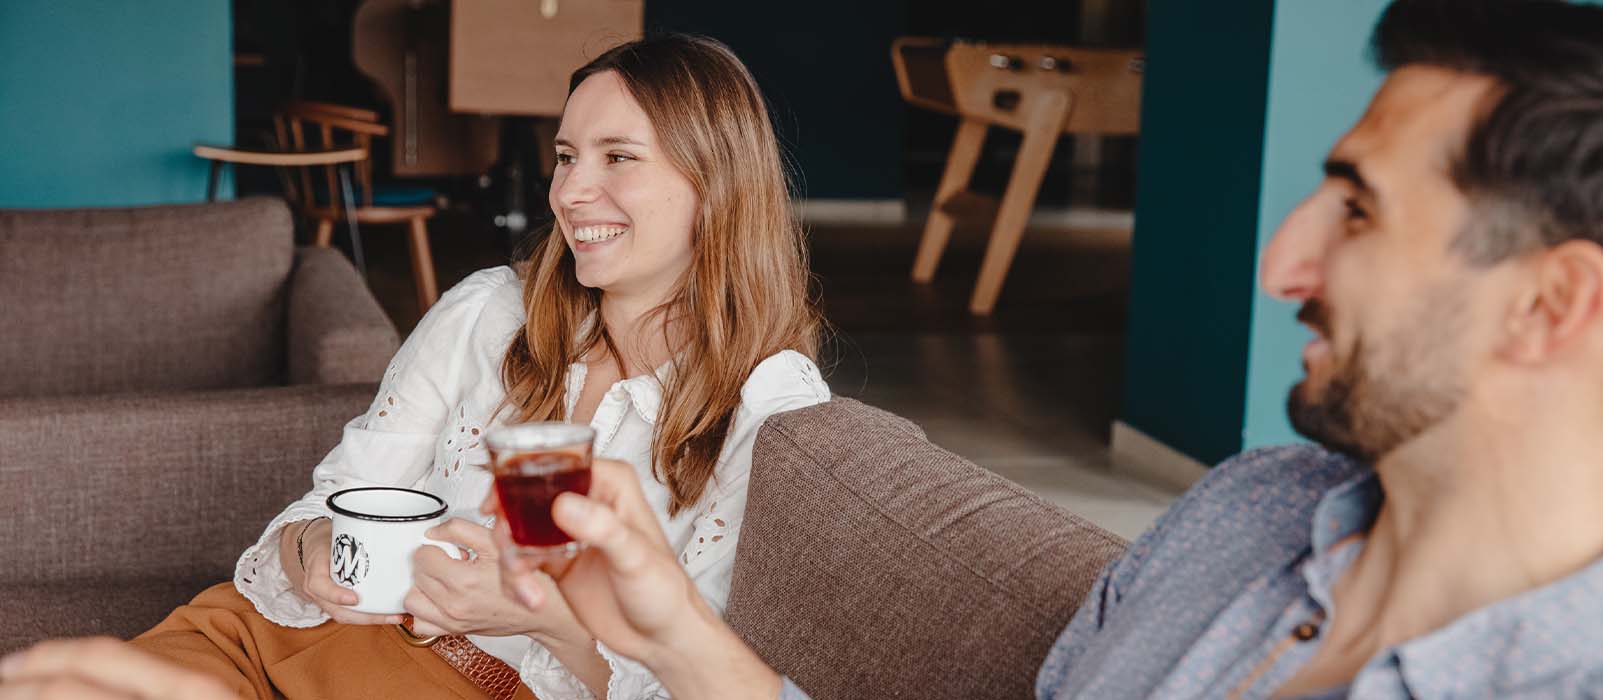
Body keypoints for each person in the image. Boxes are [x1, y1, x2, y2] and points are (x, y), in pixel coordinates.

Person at [127, 33, 829, 700]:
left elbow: (698, 679)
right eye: (565, 156)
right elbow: (334, 499)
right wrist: (309, 547)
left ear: (717, 180)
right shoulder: (488, 311)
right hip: (275, 640)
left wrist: (542, 616)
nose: (570, 192)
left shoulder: (772, 407)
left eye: (617, 157)